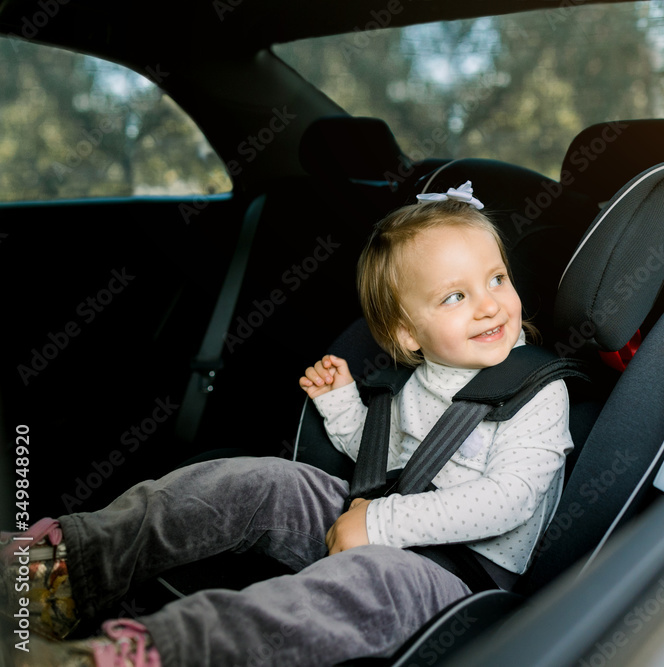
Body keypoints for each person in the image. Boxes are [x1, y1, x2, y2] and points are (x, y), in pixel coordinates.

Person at [2, 182, 574, 667]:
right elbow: (387, 461)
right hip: (377, 520)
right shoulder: (426, 376)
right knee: (259, 480)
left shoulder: (540, 393)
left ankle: (152, 652)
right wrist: (347, 409)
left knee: (347, 589)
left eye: (497, 279)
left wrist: (381, 524)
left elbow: (510, 500)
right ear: (407, 335)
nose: (489, 305)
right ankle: (63, 570)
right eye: (455, 295)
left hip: (457, 581)